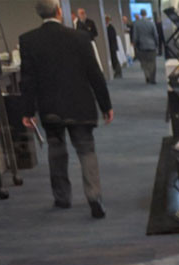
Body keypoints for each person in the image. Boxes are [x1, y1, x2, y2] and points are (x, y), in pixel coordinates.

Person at [20, 0, 113, 219]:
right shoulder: (80, 37)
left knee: (56, 151)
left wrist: (27, 111)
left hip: (50, 107)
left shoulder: (28, 40)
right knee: (86, 151)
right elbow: (94, 74)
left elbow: (28, 79)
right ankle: (94, 197)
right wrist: (105, 105)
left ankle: (62, 197)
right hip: (80, 105)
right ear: (59, 11)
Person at [131, 9, 158, 84]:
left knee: (144, 62)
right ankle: (152, 78)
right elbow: (155, 35)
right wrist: (156, 44)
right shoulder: (151, 23)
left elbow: (135, 36)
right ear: (146, 14)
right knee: (152, 62)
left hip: (141, 46)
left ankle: (147, 75)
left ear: (140, 14)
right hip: (152, 45)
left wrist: (135, 44)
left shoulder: (136, 23)